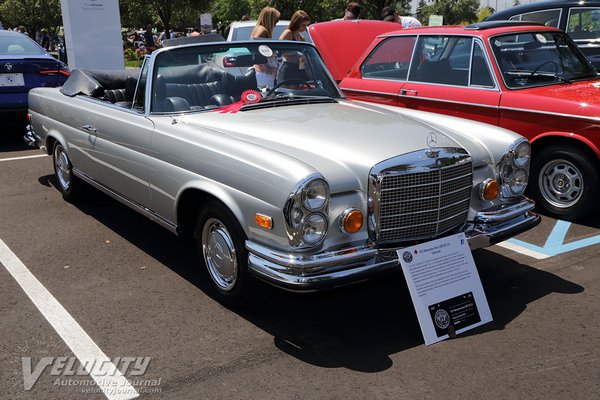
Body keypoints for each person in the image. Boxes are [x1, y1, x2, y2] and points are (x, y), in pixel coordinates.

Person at [278, 11, 310, 87]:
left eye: (306, 25)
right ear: (297, 23)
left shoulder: (301, 37)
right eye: (303, 25)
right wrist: (297, 53)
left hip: (298, 68)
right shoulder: (288, 33)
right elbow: (279, 49)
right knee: (286, 94)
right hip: (287, 68)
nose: (305, 28)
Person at [251, 6, 281, 90]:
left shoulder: (259, 28)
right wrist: (263, 65)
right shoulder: (262, 30)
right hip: (264, 73)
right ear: (270, 19)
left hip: (265, 72)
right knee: (267, 96)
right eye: (276, 19)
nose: (277, 21)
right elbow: (255, 47)